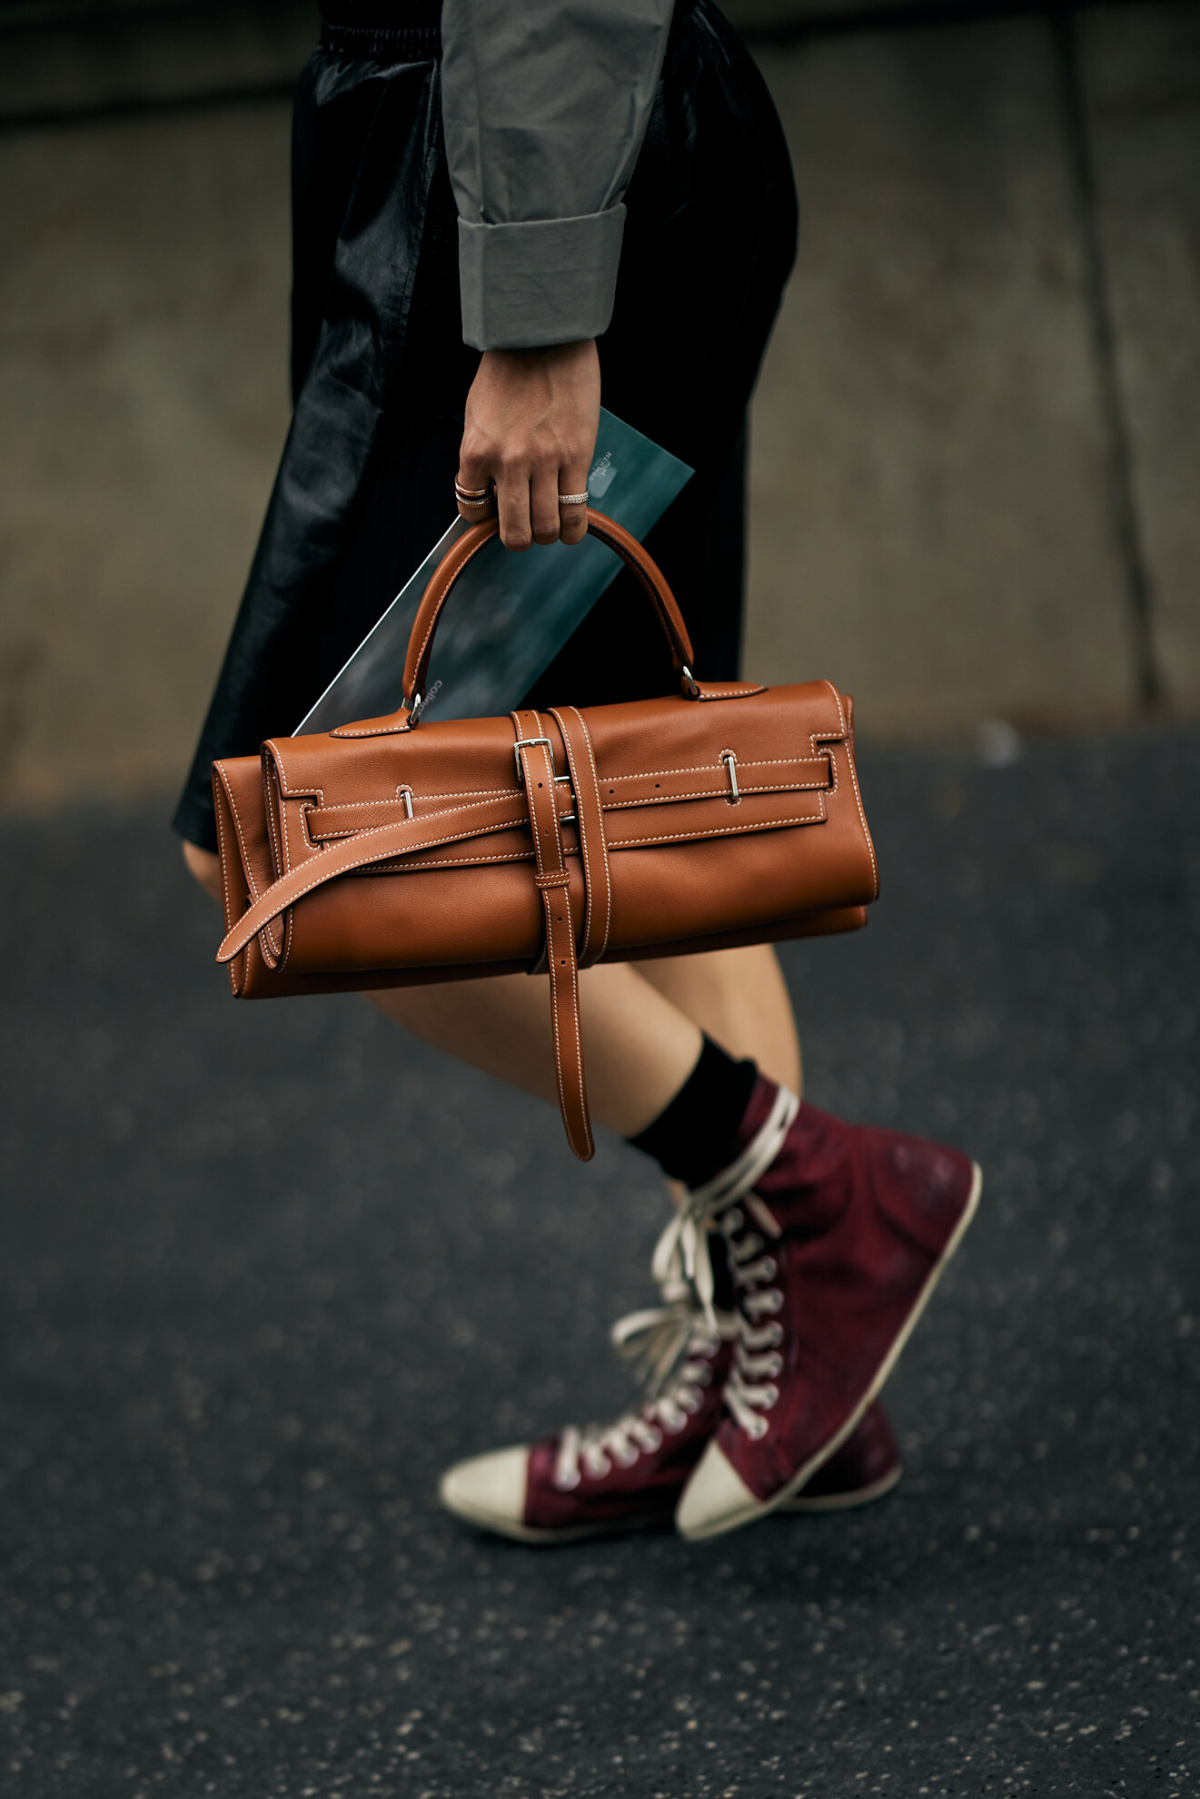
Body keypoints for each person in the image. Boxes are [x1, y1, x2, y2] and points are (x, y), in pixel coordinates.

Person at [178, 0, 980, 1544]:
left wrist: (536, 304)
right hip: (535, 134)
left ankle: (812, 1207)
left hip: (524, 144)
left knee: (307, 846)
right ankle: (793, 1366)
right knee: (635, 810)